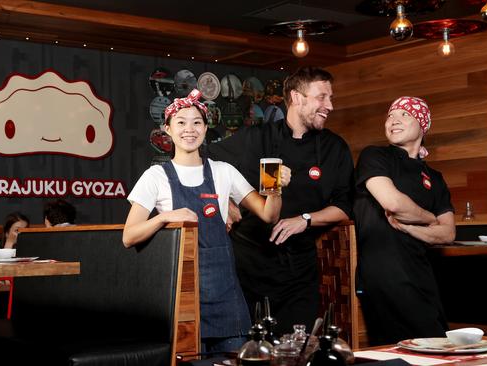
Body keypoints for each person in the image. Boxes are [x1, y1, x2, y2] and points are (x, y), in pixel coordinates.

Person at [123, 89, 291, 353]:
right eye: (181, 122)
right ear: (167, 129)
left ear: (206, 127)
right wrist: (166, 217)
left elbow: (269, 214)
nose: (189, 129)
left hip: (226, 298)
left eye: (197, 122)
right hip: (181, 297)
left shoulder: (224, 171)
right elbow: (129, 236)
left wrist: (276, 187)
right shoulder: (155, 176)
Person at [207, 66, 354, 335]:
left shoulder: (335, 148)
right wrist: (223, 201)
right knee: (250, 352)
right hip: (248, 267)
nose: (329, 106)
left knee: (297, 349)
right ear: (296, 97)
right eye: (322, 97)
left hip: (299, 270)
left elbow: (344, 205)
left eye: (331, 98)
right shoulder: (256, 138)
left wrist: (305, 220)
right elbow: (203, 159)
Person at [353, 96, 456, 345]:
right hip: (383, 274)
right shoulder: (374, 156)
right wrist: (431, 219)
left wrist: (411, 228)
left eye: (404, 115)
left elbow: (448, 234)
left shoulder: (435, 177)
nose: (393, 120)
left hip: (421, 275)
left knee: (437, 347)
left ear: (423, 125)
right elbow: (393, 204)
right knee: (399, 352)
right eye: (390, 115)